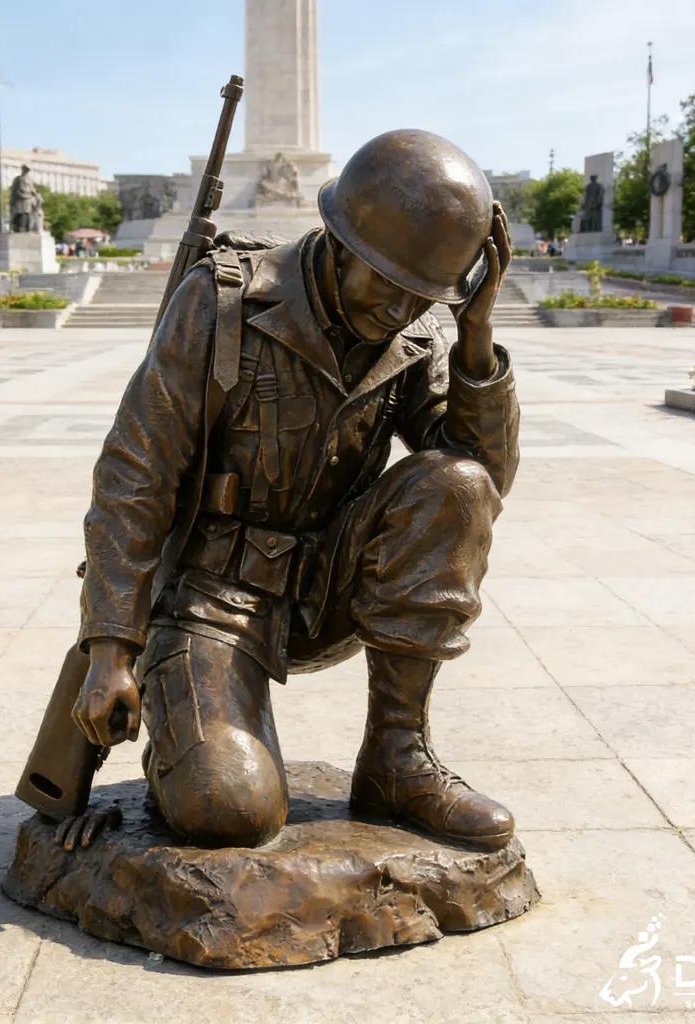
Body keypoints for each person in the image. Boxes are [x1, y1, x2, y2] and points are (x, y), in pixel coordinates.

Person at [61, 130, 520, 852]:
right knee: (230, 811)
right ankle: (186, 730)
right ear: (341, 242)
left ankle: (397, 758)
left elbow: (480, 481)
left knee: (453, 484)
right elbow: (134, 475)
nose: (402, 310)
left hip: (327, 588)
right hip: (212, 596)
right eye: (389, 284)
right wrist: (111, 650)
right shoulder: (224, 303)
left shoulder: (420, 329)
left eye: (421, 294)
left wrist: (475, 336)